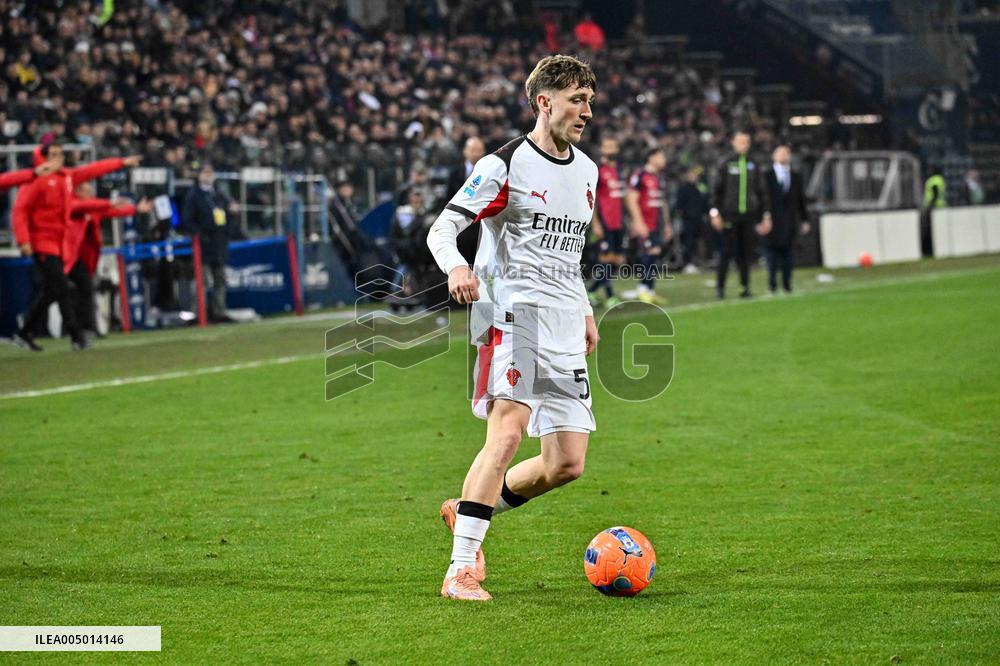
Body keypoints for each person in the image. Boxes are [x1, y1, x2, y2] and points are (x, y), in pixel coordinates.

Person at [426, 54, 600, 601]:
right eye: (576, 100)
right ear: (544, 102)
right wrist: (457, 267)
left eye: (590, 101)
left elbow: (568, 254)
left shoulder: (588, 172)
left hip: (564, 322)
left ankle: (469, 511)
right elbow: (442, 229)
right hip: (512, 314)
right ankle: (460, 570)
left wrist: (585, 310)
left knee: (565, 463)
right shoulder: (505, 165)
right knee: (506, 435)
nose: (586, 112)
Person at [11, 141, 139, 351]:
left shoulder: (67, 178)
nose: (58, 158)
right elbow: (20, 210)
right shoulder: (35, 180)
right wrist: (23, 239)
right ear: (42, 157)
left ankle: (24, 332)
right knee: (61, 288)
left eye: (60, 154)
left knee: (53, 290)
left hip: (59, 243)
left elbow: (92, 170)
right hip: (42, 242)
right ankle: (76, 337)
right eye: (53, 154)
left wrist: (120, 163)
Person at [64, 182, 153, 336]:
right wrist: (111, 202)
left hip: (87, 258)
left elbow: (112, 212)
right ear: (78, 192)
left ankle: (86, 327)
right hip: (70, 256)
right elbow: (102, 207)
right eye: (87, 192)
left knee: (84, 290)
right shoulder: (73, 206)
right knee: (72, 291)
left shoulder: (93, 210)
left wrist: (135, 209)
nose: (91, 195)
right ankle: (82, 328)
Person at [710, 130, 771, 299]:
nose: (743, 144)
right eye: (740, 141)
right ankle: (720, 288)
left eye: (746, 141)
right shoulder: (726, 163)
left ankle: (745, 287)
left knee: (746, 254)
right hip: (729, 215)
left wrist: (765, 215)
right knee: (726, 252)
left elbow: (762, 192)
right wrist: (715, 213)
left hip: (748, 216)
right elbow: (715, 191)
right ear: (733, 142)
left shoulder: (754, 164)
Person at [183, 164, 238, 322]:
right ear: (199, 175)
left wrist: (232, 215)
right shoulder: (194, 195)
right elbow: (188, 220)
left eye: (211, 172)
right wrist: (201, 235)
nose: (208, 175)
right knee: (201, 280)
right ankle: (198, 314)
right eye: (205, 172)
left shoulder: (219, 194)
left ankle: (219, 312)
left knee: (220, 280)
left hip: (219, 244)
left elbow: (227, 216)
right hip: (203, 245)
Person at [626, 147, 672, 304]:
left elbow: (662, 203)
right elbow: (631, 199)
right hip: (645, 223)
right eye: (661, 156)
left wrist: (667, 224)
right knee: (650, 252)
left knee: (655, 253)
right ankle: (642, 289)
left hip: (656, 223)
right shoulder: (640, 175)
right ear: (651, 158)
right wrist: (638, 222)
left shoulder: (659, 177)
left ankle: (650, 291)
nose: (664, 160)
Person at [762, 144, 809, 294]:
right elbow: (762, 198)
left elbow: (801, 200)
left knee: (789, 254)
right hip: (772, 221)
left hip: (790, 221)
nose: (783, 156)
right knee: (772, 254)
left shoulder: (795, 176)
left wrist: (805, 219)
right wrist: (763, 217)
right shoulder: (766, 175)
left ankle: (787, 284)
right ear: (774, 156)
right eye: (780, 153)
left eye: (786, 153)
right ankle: (772, 283)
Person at [587, 136, 626, 306]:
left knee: (617, 260)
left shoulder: (619, 170)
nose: (610, 149)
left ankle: (591, 292)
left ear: (617, 149)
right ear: (601, 149)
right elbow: (592, 198)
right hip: (605, 222)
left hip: (618, 222)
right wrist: (595, 223)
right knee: (607, 259)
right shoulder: (598, 170)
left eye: (613, 146)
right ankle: (609, 296)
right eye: (606, 146)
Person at [446, 137, 487, 266]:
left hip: (481, 229)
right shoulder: (454, 174)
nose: (477, 153)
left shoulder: (489, 174)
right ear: (465, 151)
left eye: (480, 150)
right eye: (473, 150)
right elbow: (447, 200)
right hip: (460, 229)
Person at [674, 166, 709, 273]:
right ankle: (688, 263)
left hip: (699, 219)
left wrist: (706, 214)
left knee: (700, 242)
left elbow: (706, 201)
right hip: (688, 219)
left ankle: (700, 262)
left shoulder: (701, 187)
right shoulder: (683, 188)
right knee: (689, 242)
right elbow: (679, 205)